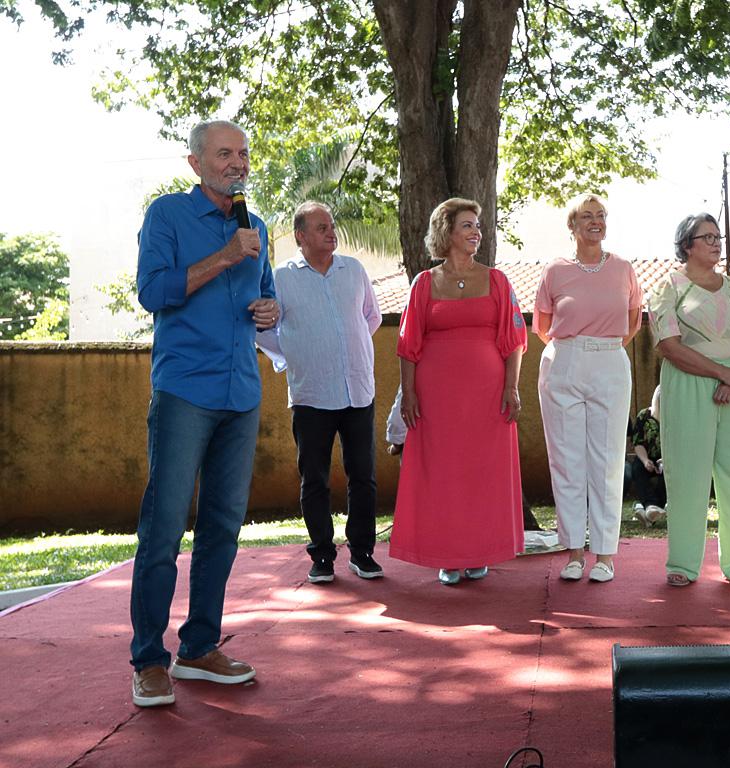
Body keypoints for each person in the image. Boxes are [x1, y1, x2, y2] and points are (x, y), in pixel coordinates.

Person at [129, 119, 279, 707]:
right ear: (195, 163)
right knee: (164, 528)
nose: (237, 162)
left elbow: (262, 299)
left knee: (222, 528)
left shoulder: (257, 227)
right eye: (224, 153)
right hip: (184, 392)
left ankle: (198, 647)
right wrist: (222, 257)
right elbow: (152, 293)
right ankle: (148, 659)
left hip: (241, 393)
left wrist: (270, 310)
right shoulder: (167, 217)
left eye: (243, 152)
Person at [390, 198, 527, 585]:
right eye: (467, 226)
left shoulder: (498, 280)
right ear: (446, 232)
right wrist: (409, 392)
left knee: (483, 473)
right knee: (443, 474)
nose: (475, 233)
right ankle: (448, 556)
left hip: (488, 395)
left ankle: (480, 551)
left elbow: (514, 338)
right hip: (437, 398)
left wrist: (512, 386)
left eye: (477, 227)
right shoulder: (424, 283)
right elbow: (407, 343)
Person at [257, 201, 383, 585]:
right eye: (321, 227)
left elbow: (371, 318)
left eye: (331, 226)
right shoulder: (282, 278)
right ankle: (322, 557)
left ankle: (362, 553)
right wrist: (294, 358)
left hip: (358, 390)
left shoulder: (354, 270)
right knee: (314, 479)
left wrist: (349, 352)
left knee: (363, 476)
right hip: (311, 393)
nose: (331, 232)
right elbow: (263, 331)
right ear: (301, 236)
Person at [650, 213, 730, 587]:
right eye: (708, 237)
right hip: (689, 382)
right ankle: (682, 565)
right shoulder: (668, 287)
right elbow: (669, 346)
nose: (717, 243)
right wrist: (722, 373)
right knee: (687, 475)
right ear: (687, 245)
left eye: (719, 236)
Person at [534, 194, 643, 583]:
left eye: (601, 216)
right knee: (567, 460)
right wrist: (575, 350)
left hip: (610, 361)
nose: (595, 222)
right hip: (563, 360)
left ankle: (605, 556)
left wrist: (601, 350)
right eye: (587, 216)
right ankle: (574, 553)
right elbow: (542, 325)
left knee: (608, 460)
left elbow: (633, 322)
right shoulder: (555, 271)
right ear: (573, 226)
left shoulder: (623, 269)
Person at [629, 386, 666, 526]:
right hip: (647, 457)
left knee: (669, 473)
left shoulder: (678, 417)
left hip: (668, 459)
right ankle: (651, 508)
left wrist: (667, 460)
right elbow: (637, 443)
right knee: (637, 468)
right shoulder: (643, 415)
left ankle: (649, 511)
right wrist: (645, 461)